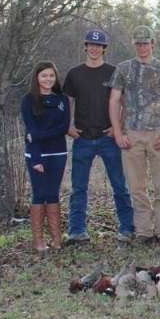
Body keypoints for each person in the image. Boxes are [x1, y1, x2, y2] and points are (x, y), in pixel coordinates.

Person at [109, 26, 160, 248]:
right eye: (138, 43)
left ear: (153, 43)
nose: (142, 47)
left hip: (158, 135)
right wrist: (118, 132)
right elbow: (114, 101)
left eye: (145, 43)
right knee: (137, 187)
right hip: (132, 134)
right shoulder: (123, 68)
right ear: (134, 44)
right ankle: (144, 231)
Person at [63, 29, 134, 244]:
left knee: (119, 185)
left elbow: (125, 103)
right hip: (83, 138)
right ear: (85, 46)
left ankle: (127, 228)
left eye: (99, 45)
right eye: (91, 45)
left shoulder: (114, 72)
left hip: (108, 138)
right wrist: (68, 126)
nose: (94, 48)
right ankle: (77, 231)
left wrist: (118, 127)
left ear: (104, 48)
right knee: (78, 188)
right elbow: (67, 102)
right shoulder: (75, 73)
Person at [21, 61, 70, 252]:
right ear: (37, 78)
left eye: (51, 75)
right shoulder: (28, 100)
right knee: (39, 194)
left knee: (53, 193)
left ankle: (56, 239)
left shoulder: (62, 99)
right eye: (44, 76)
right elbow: (30, 129)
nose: (48, 79)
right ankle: (38, 241)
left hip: (58, 153)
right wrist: (36, 158)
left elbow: (63, 128)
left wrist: (37, 136)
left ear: (55, 77)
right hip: (36, 154)